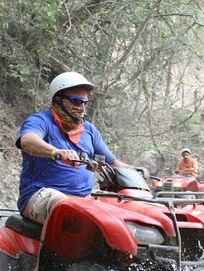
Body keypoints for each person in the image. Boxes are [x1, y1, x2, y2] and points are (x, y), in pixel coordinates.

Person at [15, 71, 127, 223]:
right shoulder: (40, 121)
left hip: (84, 197)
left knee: (123, 212)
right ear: (58, 101)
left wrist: (136, 174)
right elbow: (28, 141)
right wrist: (56, 153)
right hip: (41, 195)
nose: (81, 107)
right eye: (76, 101)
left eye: (85, 103)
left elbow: (112, 162)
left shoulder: (90, 130)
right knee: (69, 211)